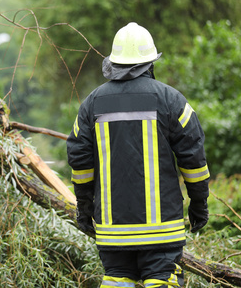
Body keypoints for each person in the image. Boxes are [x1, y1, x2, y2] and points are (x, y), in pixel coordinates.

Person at [66, 22, 210, 288]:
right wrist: (199, 203)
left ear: (115, 62)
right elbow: (193, 158)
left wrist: (84, 208)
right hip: (162, 231)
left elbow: (80, 162)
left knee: (116, 281)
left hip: (113, 232)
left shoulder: (91, 104)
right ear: (150, 62)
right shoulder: (171, 100)